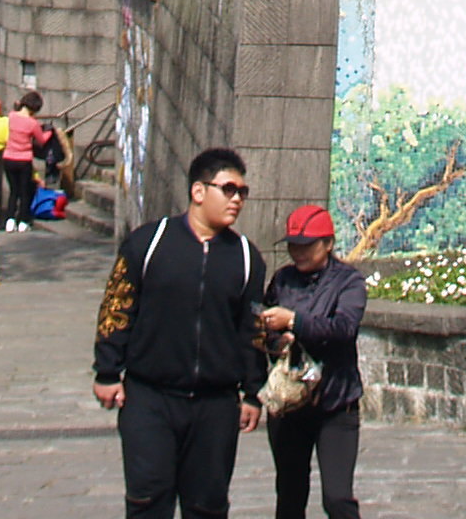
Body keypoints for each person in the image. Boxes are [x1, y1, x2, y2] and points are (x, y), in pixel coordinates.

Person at [96, 146, 268, 519]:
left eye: (243, 192)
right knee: (148, 501)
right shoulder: (149, 242)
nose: (237, 199)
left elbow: (251, 330)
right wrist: (107, 371)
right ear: (199, 191)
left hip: (215, 405)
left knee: (207, 506)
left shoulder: (245, 257)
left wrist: (253, 393)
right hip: (150, 398)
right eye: (229, 189)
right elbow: (117, 307)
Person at [260, 202, 367, 519]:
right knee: (290, 495)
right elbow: (265, 334)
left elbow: (343, 329)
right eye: (294, 245)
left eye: (307, 246)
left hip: (336, 403)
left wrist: (295, 322)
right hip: (290, 404)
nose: (299, 252)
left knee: (337, 499)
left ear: (329, 243)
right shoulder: (283, 280)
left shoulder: (349, 282)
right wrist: (278, 341)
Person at [3, 90, 52, 229]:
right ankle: (23, 222)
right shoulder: (32, 123)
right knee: (25, 191)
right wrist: (48, 132)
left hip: (8, 158)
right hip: (24, 160)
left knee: (14, 191)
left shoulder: (12, 116)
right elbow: (41, 140)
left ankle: (10, 220)